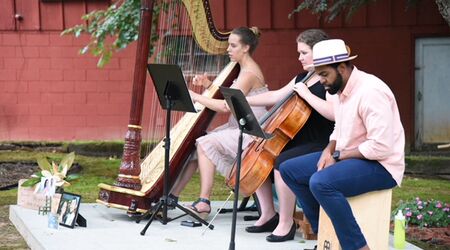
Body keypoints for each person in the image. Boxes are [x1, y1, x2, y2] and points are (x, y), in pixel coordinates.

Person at [280, 39, 405, 250]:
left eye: (324, 74)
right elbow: (339, 127)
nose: (320, 81)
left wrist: (338, 156)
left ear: (342, 67)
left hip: (382, 166)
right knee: (289, 169)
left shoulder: (371, 91)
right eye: (318, 74)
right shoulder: (338, 90)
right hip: (351, 156)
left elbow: (380, 147)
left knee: (321, 182)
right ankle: (323, 238)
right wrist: (328, 151)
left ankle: (357, 246)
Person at [167, 27, 269, 219]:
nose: (228, 49)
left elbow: (224, 107)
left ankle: (204, 201)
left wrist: (194, 95)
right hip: (238, 126)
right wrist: (208, 86)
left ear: (246, 47)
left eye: (233, 45)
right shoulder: (242, 69)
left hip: (251, 132)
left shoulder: (248, 74)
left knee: (205, 144)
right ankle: (173, 196)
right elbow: (231, 97)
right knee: (197, 142)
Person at [244, 29, 335, 242]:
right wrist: (245, 99)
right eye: (299, 53)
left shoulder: (328, 78)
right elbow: (277, 95)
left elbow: (333, 112)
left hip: (321, 142)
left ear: (319, 53)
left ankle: (286, 224)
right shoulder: (303, 77)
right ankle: (268, 214)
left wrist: (305, 94)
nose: (300, 58)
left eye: (304, 53)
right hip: (300, 138)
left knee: (281, 161)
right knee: (261, 153)